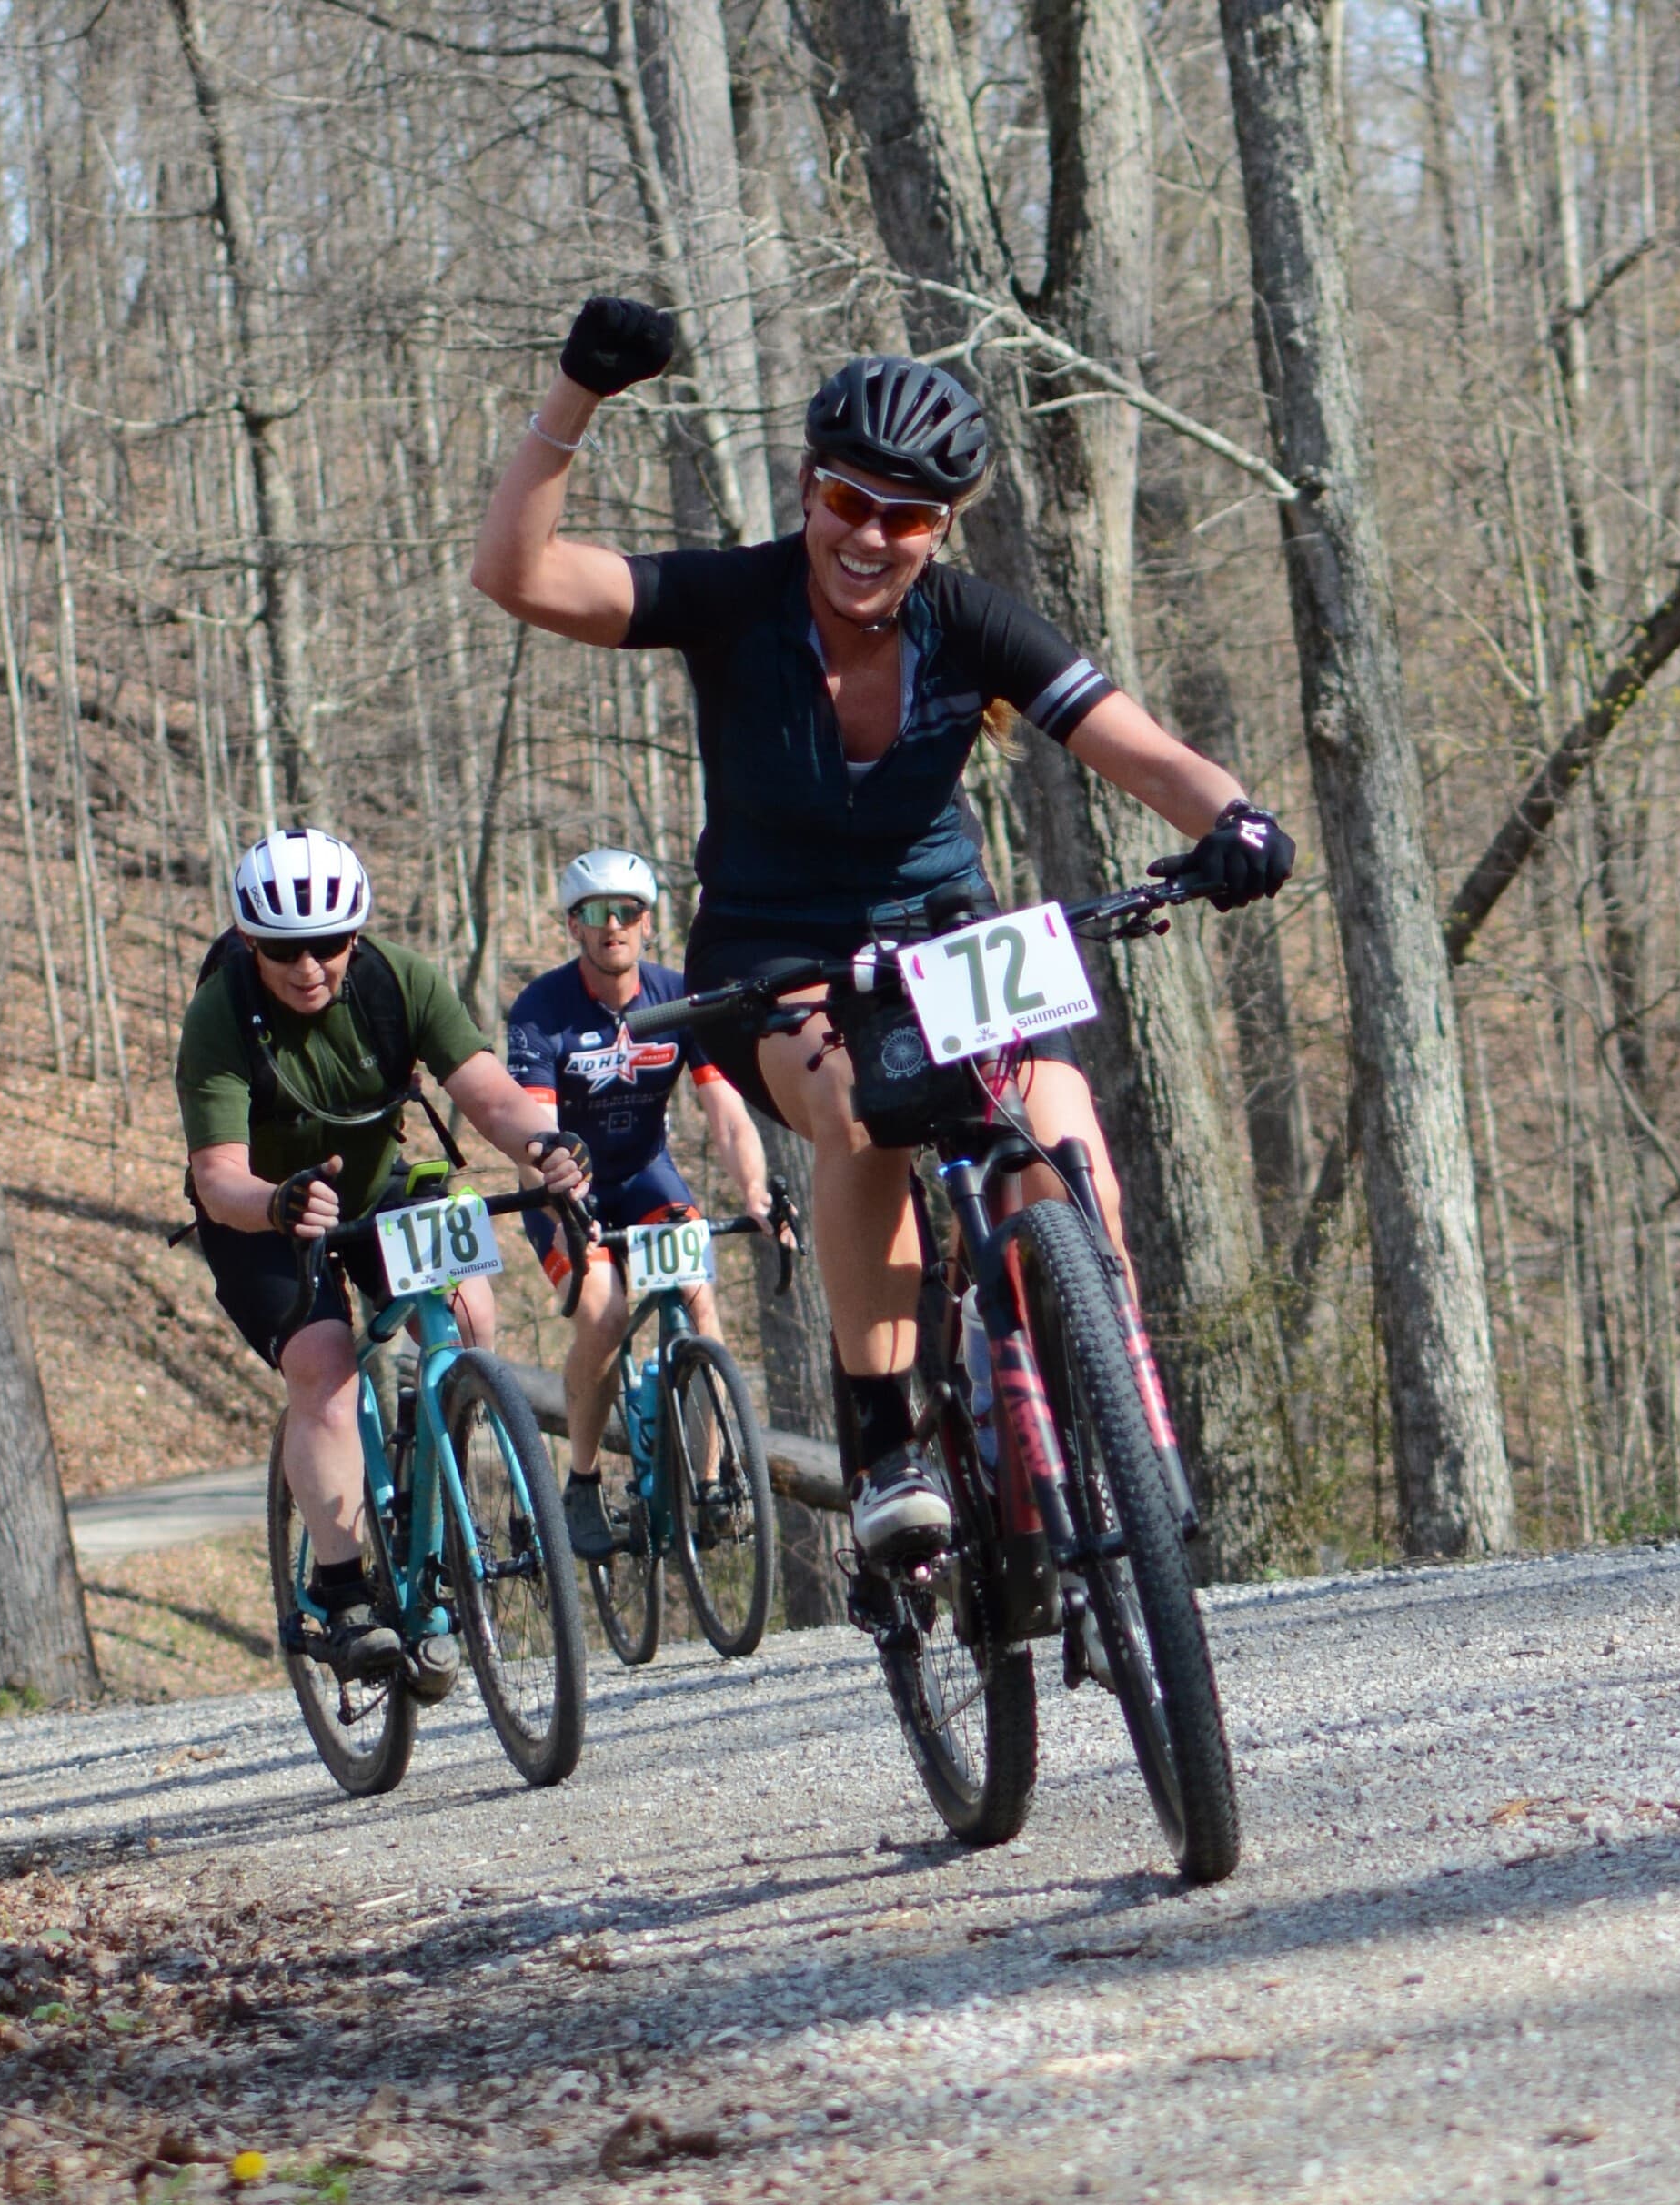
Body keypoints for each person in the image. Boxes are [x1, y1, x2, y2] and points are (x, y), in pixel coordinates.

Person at [471, 302, 1295, 1567]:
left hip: (943, 930)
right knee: (861, 1106)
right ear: (810, 488)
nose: (871, 538)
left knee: (1064, 1144)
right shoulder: (738, 599)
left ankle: (1093, 1405)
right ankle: (887, 1440)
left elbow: (1142, 748)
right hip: (778, 946)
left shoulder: (970, 621)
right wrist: (576, 393)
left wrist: (1235, 819)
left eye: (906, 517)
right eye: (850, 502)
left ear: (941, 527)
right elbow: (516, 575)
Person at [179, 827, 590, 1692]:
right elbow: (216, 1177)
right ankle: (343, 1590)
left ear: (356, 937)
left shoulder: (399, 980)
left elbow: (487, 1092)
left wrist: (545, 1146)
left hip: (377, 1189)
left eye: (327, 946)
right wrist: (278, 1201)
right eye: (285, 950)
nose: (308, 967)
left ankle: (431, 1460)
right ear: (252, 943)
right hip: (264, 1215)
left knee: (475, 1311)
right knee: (325, 1367)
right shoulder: (219, 1013)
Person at [505, 846, 795, 1561]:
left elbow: (726, 1113)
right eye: (595, 914)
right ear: (573, 926)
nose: (613, 927)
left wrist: (755, 1191)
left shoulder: (678, 996)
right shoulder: (543, 1009)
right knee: (602, 1314)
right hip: (560, 1186)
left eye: (627, 912)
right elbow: (534, 1131)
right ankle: (581, 1480)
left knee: (700, 1300)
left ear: (647, 922)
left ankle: (712, 1484)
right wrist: (566, 1198)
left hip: (644, 1174)